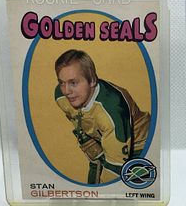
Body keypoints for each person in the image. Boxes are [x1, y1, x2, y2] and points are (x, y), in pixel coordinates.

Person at [54, 49, 150, 184]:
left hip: (139, 144)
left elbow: (115, 167)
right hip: (105, 138)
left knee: (116, 187)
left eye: (73, 83)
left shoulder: (112, 109)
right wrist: (88, 141)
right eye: (62, 82)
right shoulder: (60, 96)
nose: (66, 91)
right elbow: (75, 117)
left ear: (92, 80)